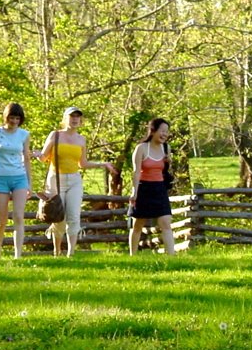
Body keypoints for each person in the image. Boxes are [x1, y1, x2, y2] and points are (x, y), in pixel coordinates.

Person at [35, 106, 118, 257]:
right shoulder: (55, 135)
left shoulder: (81, 139)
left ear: (80, 120)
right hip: (56, 179)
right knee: (58, 215)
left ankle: (71, 253)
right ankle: (57, 251)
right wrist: (34, 154)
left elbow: (83, 164)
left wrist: (102, 164)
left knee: (73, 216)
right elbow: (43, 157)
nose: (74, 119)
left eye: (77, 117)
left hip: (74, 179)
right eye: (71, 116)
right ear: (65, 119)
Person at [0, 103, 33, 260]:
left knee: (18, 216)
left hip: (19, 177)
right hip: (0, 178)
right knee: (1, 220)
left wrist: (30, 183)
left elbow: (27, 159)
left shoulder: (24, 134)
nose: (14, 121)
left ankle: (18, 255)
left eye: (17, 118)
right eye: (12, 118)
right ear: (6, 117)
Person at [128, 117, 176, 256]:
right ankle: (133, 255)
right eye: (162, 131)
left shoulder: (166, 148)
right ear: (153, 131)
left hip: (159, 188)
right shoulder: (141, 148)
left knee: (166, 222)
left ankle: (172, 256)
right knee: (138, 224)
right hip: (143, 188)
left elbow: (165, 170)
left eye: (166, 132)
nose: (164, 134)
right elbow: (136, 172)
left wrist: (168, 162)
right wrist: (134, 192)